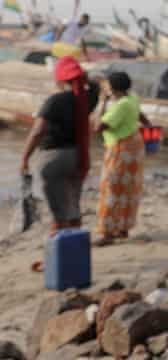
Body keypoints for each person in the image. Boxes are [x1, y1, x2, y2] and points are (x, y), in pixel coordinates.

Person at [20, 56, 99, 235]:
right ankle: (74, 244)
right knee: (72, 204)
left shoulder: (55, 101)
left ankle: (60, 249)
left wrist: (25, 158)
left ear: (60, 79)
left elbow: (37, 132)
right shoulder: (86, 99)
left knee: (58, 208)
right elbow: (96, 86)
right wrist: (84, 77)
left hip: (53, 158)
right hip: (78, 156)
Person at [92, 72, 151, 246]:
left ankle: (108, 232)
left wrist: (102, 102)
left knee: (111, 189)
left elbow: (98, 126)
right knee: (128, 189)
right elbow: (141, 115)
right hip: (134, 144)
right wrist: (148, 125)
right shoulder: (131, 97)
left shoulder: (120, 106)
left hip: (121, 148)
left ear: (113, 89)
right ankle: (123, 228)